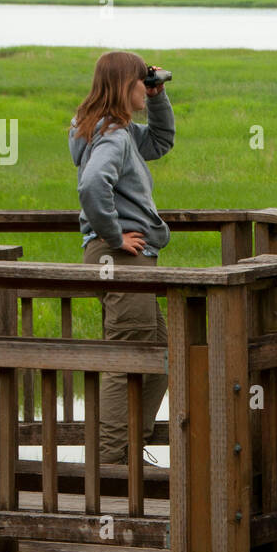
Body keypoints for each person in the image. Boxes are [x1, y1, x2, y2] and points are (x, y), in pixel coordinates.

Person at [69, 50, 175, 465]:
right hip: (121, 257)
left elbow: (162, 142)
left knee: (162, 356)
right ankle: (112, 463)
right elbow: (93, 185)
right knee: (124, 359)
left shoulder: (113, 131)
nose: (143, 90)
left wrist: (158, 96)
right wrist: (115, 235)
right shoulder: (113, 135)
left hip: (121, 258)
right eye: (140, 83)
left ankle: (127, 450)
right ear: (122, 86)